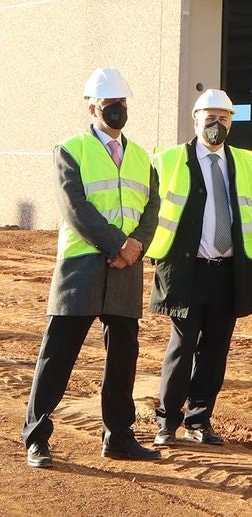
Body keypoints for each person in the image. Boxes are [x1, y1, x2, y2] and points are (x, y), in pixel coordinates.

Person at [24, 67, 162, 467]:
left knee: (123, 357)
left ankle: (119, 436)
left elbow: (151, 207)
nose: (117, 110)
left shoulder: (141, 156)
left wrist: (135, 247)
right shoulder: (70, 149)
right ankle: (37, 437)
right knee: (58, 352)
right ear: (92, 107)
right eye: (109, 104)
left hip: (126, 266)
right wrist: (118, 243)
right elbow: (75, 207)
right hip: (81, 264)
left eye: (122, 103)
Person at [150, 89, 252, 448]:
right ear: (195, 118)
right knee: (182, 345)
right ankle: (168, 421)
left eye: (225, 117)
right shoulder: (170, 159)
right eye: (210, 116)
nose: (217, 124)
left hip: (228, 270)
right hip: (187, 269)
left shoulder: (244, 161)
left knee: (216, 348)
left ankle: (199, 419)